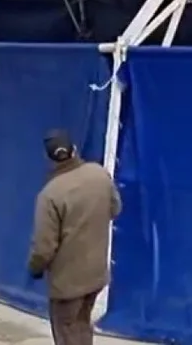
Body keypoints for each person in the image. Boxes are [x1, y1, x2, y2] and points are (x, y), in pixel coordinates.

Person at [28, 130, 122, 345]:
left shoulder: (50, 194)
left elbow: (44, 248)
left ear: (48, 159)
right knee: (82, 326)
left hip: (67, 283)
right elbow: (115, 209)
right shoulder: (99, 174)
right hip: (96, 275)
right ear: (75, 150)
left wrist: (35, 268)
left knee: (66, 334)